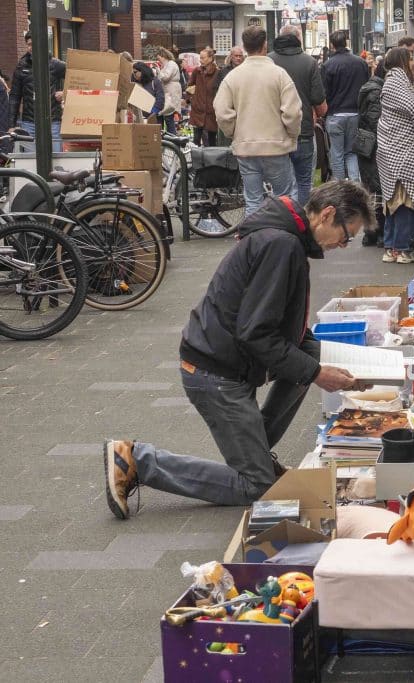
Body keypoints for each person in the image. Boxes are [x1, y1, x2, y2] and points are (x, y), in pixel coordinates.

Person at [102, 181, 374, 519]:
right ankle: (137, 460)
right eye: (346, 236)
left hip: (228, 363)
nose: (343, 246)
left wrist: (334, 362)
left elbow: (284, 328)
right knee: (256, 487)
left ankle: (257, 456)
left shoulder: (287, 241)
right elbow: (256, 333)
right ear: (328, 215)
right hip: (213, 371)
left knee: (312, 360)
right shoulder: (282, 245)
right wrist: (317, 373)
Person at [214, 25, 302, 215]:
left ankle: (254, 233)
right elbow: (293, 112)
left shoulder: (233, 77)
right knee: (284, 198)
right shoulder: (279, 74)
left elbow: (221, 111)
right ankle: (283, 231)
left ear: (245, 47)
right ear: (265, 45)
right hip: (276, 145)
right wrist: (291, 134)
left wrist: (233, 131)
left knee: (253, 200)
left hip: (246, 146)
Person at [376, 47, 414, 264]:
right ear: (402, 61)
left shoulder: (393, 82)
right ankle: (404, 248)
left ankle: (392, 247)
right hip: (404, 150)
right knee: (406, 199)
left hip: (392, 148)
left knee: (395, 200)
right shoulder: (397, 83)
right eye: (410, 58)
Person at [270, 24, 328, 206]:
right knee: (304, 182)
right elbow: (320, 104)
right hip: (303, 131)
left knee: (280, 187)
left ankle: (283, 217)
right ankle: (301, 218)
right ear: (299, 39)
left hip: (275, 133)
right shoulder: (309, 62)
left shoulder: (268, 61)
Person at [322, 30, 369, 182]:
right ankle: (355, 185)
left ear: (332, 45)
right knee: (352, 152)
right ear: (346, 42)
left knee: (337, 153)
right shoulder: (360, 63)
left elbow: (324, 92)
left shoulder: (328, 65)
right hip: (355, 113)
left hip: (335, 114)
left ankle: (340, 186)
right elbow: (366, 87)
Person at [9, 31, 66, 153]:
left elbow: (77, 77)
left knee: (57, 158)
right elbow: (14, 96)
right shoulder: (21, 66)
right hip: (29, 123)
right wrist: (11, 124)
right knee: (31, 160)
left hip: (52, 121)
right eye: (29, 44)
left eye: (34, 44)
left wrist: (65, 93)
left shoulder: (56, 64)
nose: (31, 47)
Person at [356, 62, 387, 246]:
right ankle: (377, 231)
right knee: (378, 190)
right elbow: (375, 121)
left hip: (366, 144)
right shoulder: (376, 92)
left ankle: (370, 231)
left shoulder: (368, 87)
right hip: (374, 145)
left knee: (370, 188)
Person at [187, 47, 220, 146]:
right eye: (200, 58)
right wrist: (190, 100)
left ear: (210, 58)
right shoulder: (197, 71)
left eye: (202, 58)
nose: (200, 60)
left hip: (211, 112)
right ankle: (196, 156)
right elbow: (190, 86)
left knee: (211, 141)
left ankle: (211, 157)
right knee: (196, 140)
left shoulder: (217, 72)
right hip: (198, 111)